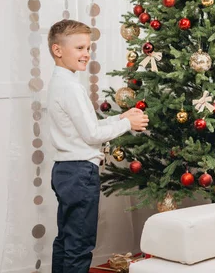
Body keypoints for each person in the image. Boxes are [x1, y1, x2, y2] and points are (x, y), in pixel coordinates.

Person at [47, 19, 149, 273]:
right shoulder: (70, 86)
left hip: (64, 170)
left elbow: (86, 126)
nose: (86, 54)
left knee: (67, 239)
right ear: (57, 50)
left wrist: (122, 118)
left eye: (88, 48)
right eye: (79, 48)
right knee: (79, 244)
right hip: (80, 172)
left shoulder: (62, 82)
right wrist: (127, 125)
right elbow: (92, 134)